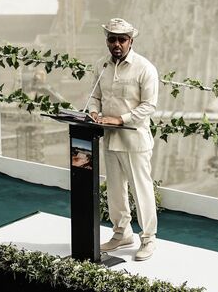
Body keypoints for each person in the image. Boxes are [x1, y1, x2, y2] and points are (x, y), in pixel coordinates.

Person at [87, 18, 159, 261]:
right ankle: (122, 233)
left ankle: (148, 239)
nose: (116, 44)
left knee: (142, 191)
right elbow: (95, 96)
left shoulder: (144, 68)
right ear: (107, 40)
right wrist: (94, 112)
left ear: (131, 41)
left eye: (122, 39)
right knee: (115, 191)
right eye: (112, 39)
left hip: (135, 141)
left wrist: (120, 119)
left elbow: (149, 106)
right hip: (109, 139)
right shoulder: (102, 65)